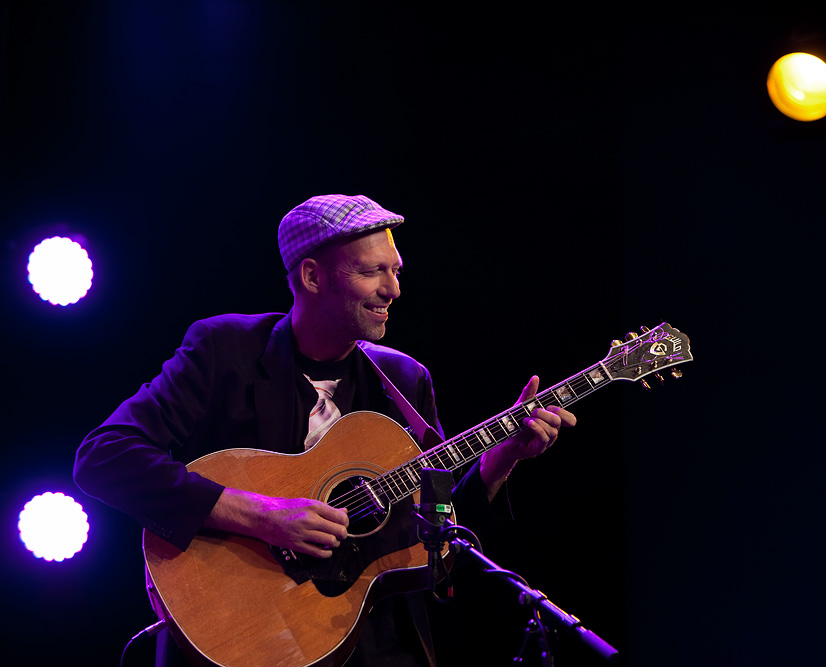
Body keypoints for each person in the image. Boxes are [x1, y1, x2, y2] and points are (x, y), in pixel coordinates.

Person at [73, 194, 576, 667]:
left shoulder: (404, 381)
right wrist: (264, 515)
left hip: (375, 644)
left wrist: (499, 462)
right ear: (312, 277)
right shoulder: (223, 352)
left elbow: (434, 544)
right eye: (371, 271)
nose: (393, 290)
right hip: (243, 634)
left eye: (395, 270)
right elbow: (104, 458)